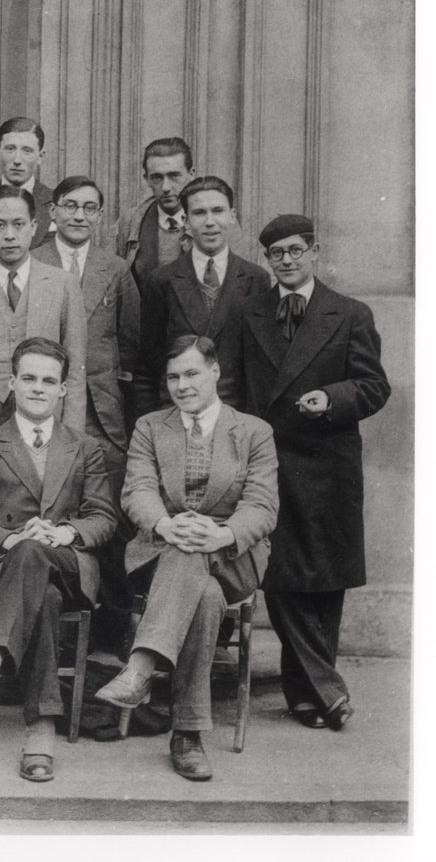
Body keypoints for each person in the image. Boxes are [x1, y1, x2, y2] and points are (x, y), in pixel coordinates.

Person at [95, 335, 278, 781]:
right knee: (205, 593)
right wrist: (163, 524)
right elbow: (137, 489)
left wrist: (222, 534)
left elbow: (261, 504)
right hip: (162, 549)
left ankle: (139, 670)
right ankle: (187, 734)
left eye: (192, 373)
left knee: (199, 563)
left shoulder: (253, 431)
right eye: (173, 377)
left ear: (216, 371)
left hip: (234, 555)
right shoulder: (151, 427)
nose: (182, 385)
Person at [241, 214, 390, 730]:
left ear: (314, 251)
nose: (286, 260)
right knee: (277, 574)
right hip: (269, 461)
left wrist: (332, 397)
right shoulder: (250, 313)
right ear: (268, 260)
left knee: (326, 581)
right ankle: (327, 689)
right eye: (276, 253)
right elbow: (236, 386)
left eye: (294, 250)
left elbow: (374, 387)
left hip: (328, 462)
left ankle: (306, 698)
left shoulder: (349, 313)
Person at [0, 337, 116, 782]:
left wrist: (62, 533)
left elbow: (103, 518)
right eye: (29, 378)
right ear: (12, 383)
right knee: (41, 593)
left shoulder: (85, 447)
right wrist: (16, 538)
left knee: (41, 564)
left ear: (63, 389)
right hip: (1, 567)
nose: (38, 388)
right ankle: (41, 730)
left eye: (49, 380)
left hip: (68, 564)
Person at [32, 175, 140, 497]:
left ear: (99, 216)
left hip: (101, 406)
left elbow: (130, 337)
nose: (79, 216)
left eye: (89, 208)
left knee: (103, 488)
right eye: (70, 206)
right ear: (53, 211)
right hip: (45, 397)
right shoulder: (33, 261)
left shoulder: (116, 269)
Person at [132, 176, 270, 416]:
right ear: (186, 220)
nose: (210, 222)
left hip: (234, 414)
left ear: (232, 215)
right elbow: (147, 364)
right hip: (176, 412)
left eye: (218, 211)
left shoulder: (255, 279)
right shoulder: (162, 280)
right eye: (199, 213)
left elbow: (260, 366)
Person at [0, 185, 87, 437]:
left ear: (34, 226)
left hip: (47, 414)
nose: (9, 235)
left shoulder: (63, 284)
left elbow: (76, 367)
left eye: (18, 224)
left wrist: (72, 434)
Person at [114, 137, 196, 286]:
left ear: (191, 174)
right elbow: (114, 281)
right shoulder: (131, 221)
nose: (165, 187)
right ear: (146, 179)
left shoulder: (213, 219)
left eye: (174, 176)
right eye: (157, 177)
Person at [0, 116, 53, 248]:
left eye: (27, 150)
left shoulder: (55, 203)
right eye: (10, 149)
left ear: (40, 156)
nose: (17, 160)